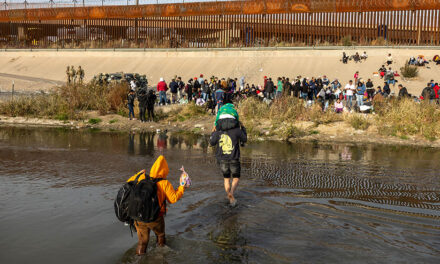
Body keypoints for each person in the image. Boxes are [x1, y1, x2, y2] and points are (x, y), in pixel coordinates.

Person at [129, 155, 186, 255]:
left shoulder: (142, 177)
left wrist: (138, 173)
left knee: (142, 242)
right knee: (160, 235)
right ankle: (160, 256)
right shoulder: (164, 183)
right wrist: (181, 187)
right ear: (165, 170)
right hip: (156, 217)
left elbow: (128, 183)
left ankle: (139, 259)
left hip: (138, 216)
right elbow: (173, 199)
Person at [210, 105, 247, 206]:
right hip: (234, 158)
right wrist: (243, 127)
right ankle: (231, 193)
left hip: (222, 160)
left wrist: (213, 131)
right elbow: (244, 139)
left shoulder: (218, 132)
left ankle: (228, 194)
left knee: (226, 179)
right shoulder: (237, 131)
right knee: (236, 178)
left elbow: (212, 143)